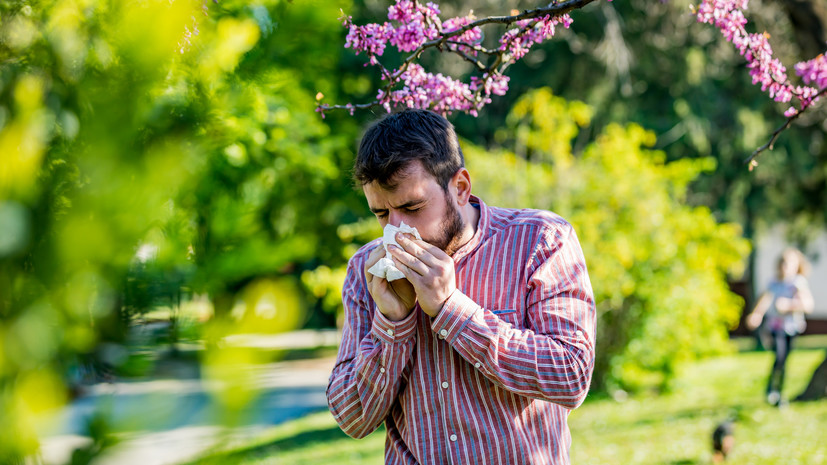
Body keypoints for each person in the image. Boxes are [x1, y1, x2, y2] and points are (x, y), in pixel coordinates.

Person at [326, 109, 596, 464]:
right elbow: (352, 417)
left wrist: (451, 309)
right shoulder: (367, 269)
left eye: (412, 206)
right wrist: (392, 324)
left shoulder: (541, 240)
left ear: (460, 188)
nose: (395, 230)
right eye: (381, 214)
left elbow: (570, 375)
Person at [745, 247, 814, 406]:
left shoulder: (798, 283)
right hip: (776, 327)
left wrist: (789, 306)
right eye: (783, 263)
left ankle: (779, 392)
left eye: (789, 263)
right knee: (779, 356)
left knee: (784, 361)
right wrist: (756, 314)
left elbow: (808, 305)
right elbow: (765, 300)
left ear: (796, 266)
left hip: (792, 327)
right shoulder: (774, 282)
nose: (785, 267)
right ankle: (771, 390)